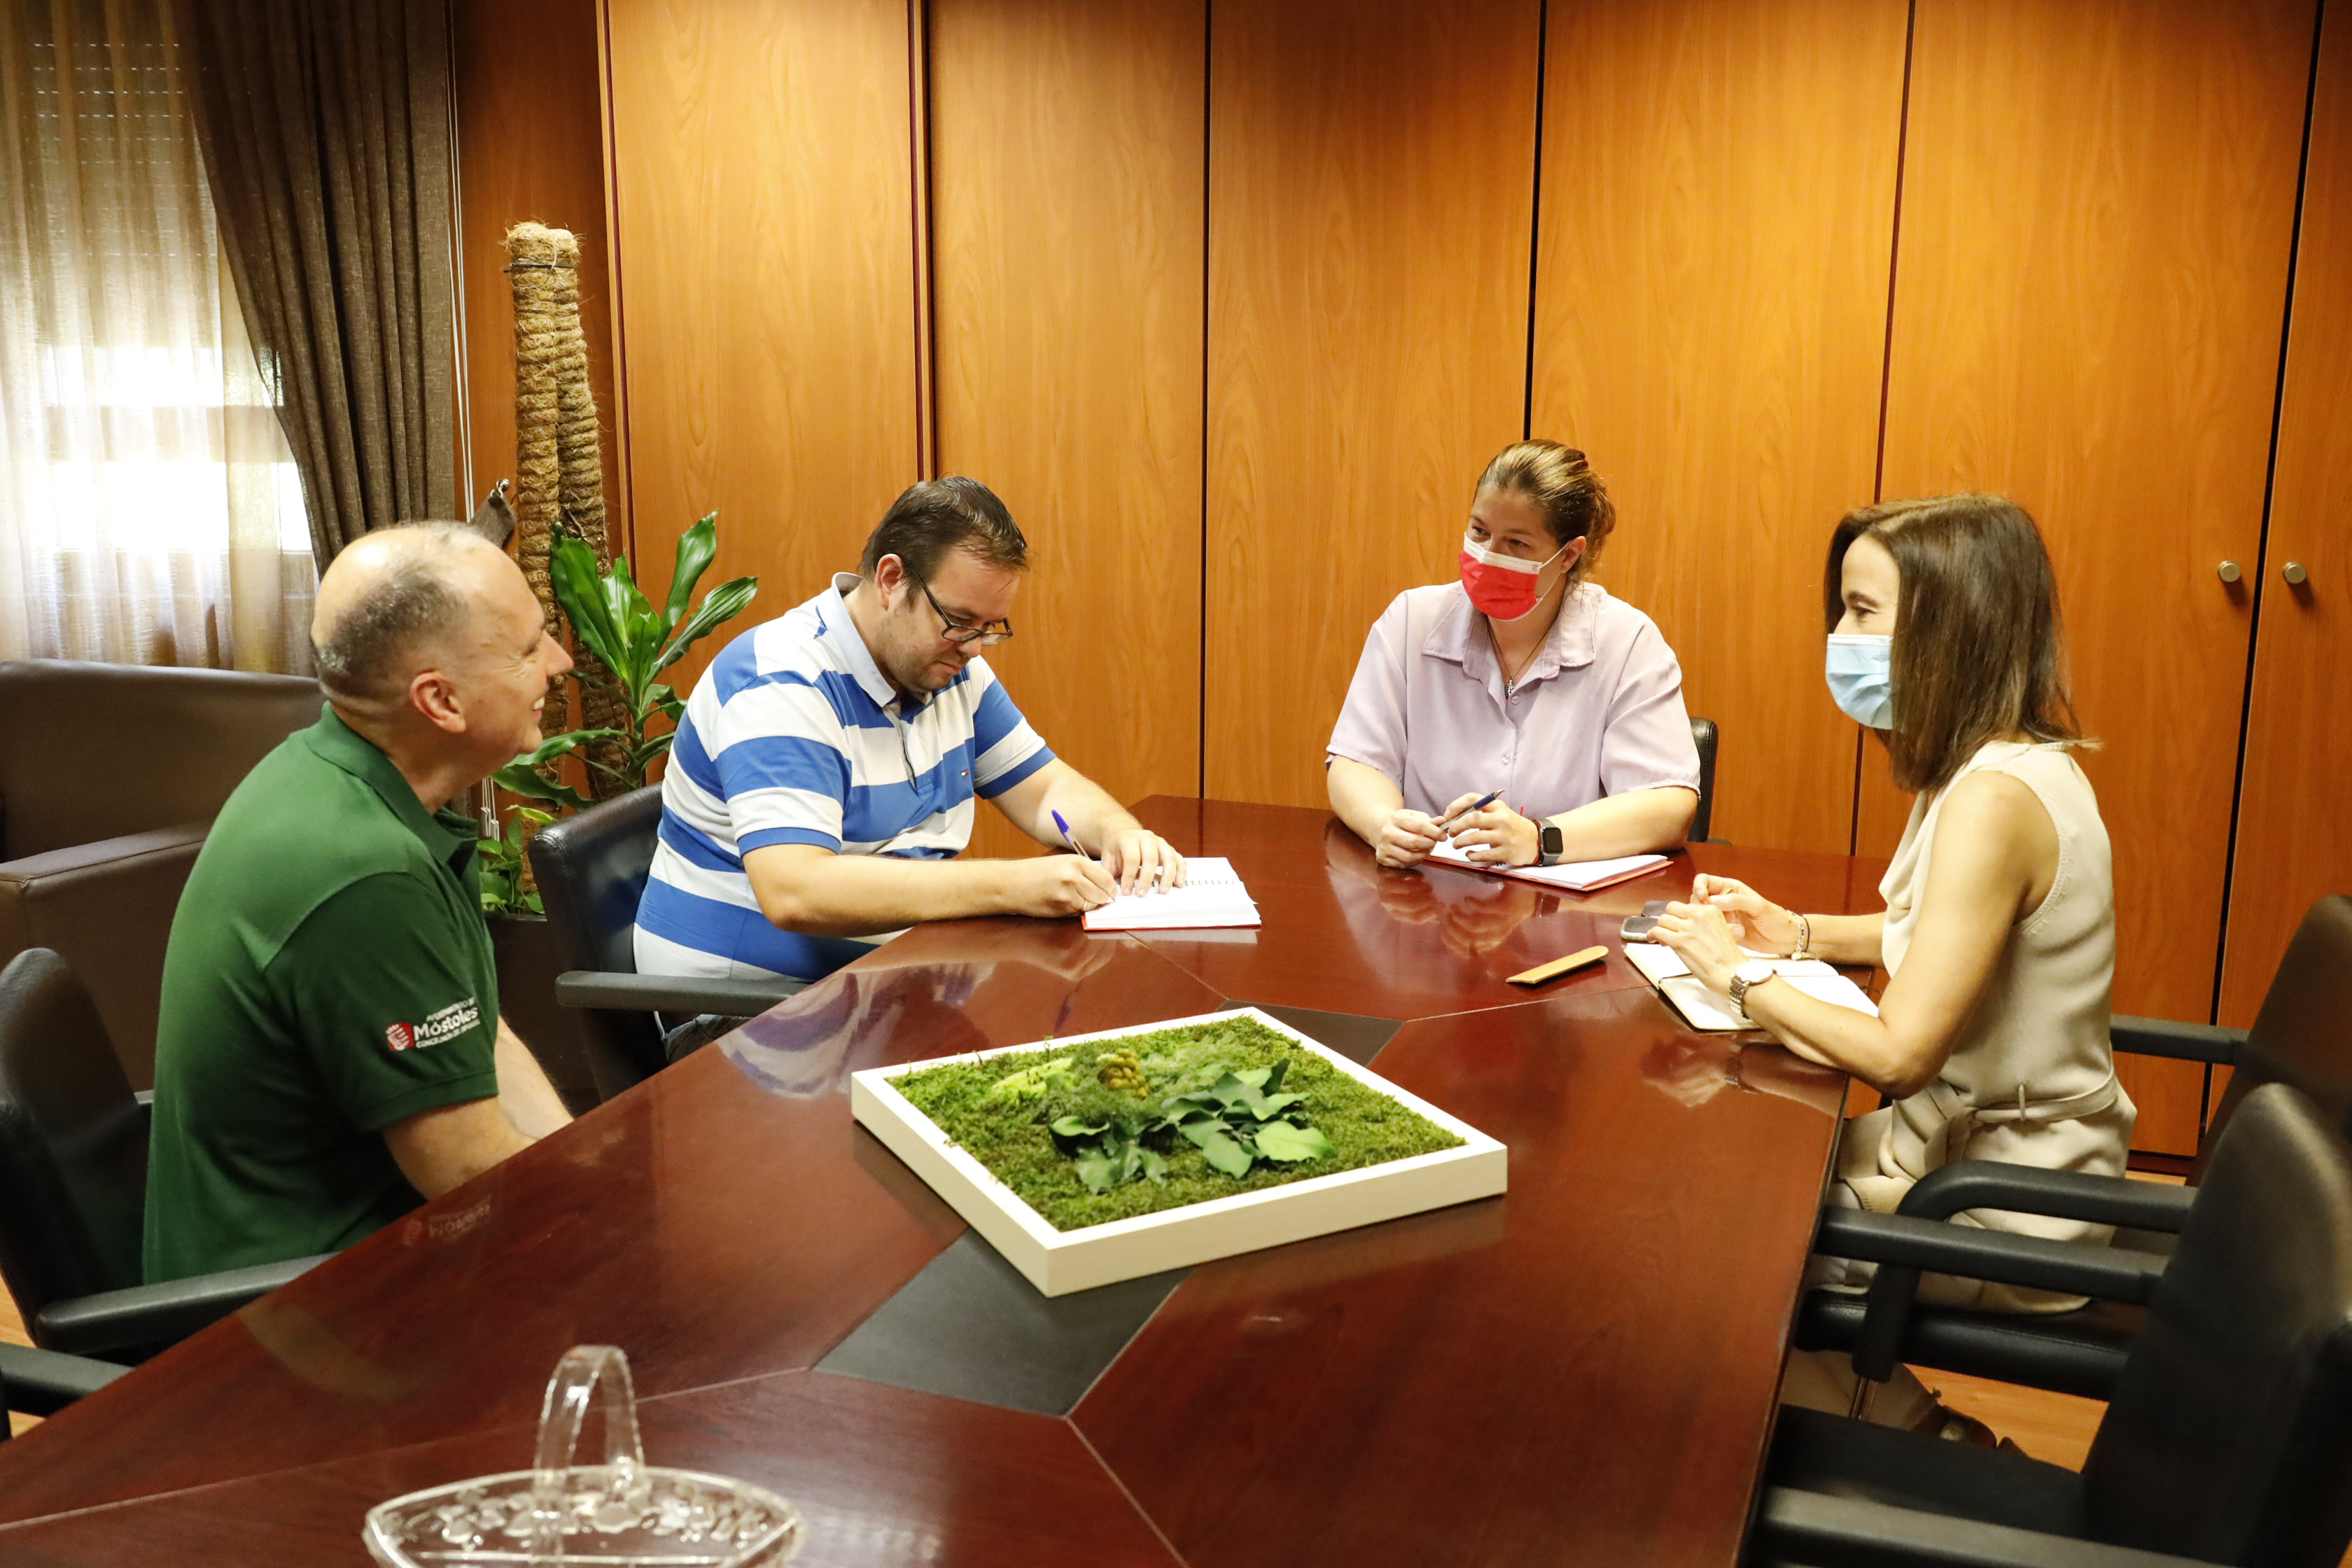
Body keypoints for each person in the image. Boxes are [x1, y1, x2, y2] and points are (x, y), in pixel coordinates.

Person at [1651, 493, 2129, 1436]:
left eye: (1863, 612)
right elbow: (1947, 931)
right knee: (1720, 1179)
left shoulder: (1993, 801)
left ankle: (1922, 1450)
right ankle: (1921, 1436)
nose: (1839, 636)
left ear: (1950, 629)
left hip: (2005, 1203)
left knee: (1714, 1245)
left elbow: (1900, 1055)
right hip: (1957, 1155)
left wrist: (1739, 974)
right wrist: (1794, 933)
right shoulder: (1999, 762)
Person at [145, 524, 574, 1282]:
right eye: (529, 647)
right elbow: (467, 1171)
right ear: (440, 700)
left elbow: (481, 1040)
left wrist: (574, 1169)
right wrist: (597, 1213)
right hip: (302, 1309)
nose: (559, 662)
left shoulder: (340, 777)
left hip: (373, 1250)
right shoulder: (365, 870)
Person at [633, 476, 1185, 983]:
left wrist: (1119, 834)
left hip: (887, 978)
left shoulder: (947, 667)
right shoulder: (782, 681)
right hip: (750, 1011)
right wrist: (1015, 886)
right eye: (959, 622)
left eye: (989, 627)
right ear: (892, 580)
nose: (974, 648)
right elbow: (796, 891)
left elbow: (1045, 790)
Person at [1325, 440, 1701, 872]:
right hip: (1425, 891)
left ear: (1569, 555)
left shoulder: (1627, 641)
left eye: (1516, 543)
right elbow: (1355, 761)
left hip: (1562, 903)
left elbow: (1668, 805)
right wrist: (1383, 824)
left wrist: (1540, 839)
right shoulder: (1413, 619)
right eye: (1479, 531)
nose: (1488, 556)